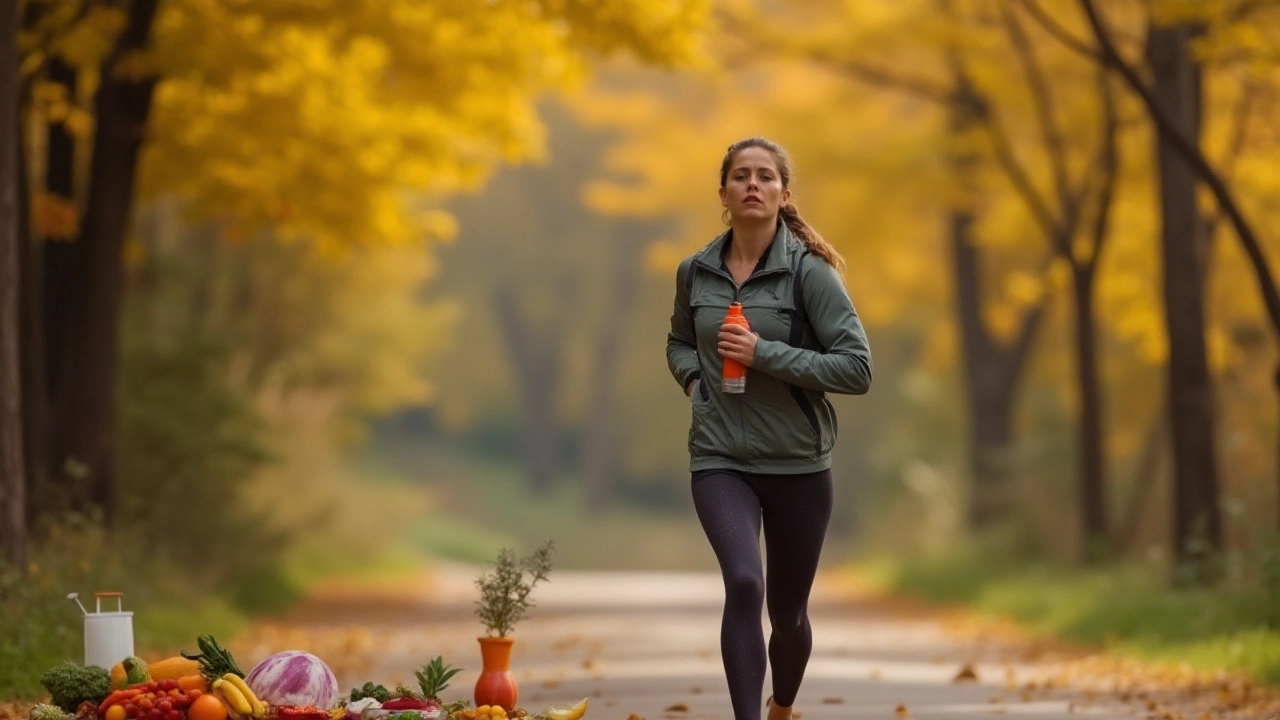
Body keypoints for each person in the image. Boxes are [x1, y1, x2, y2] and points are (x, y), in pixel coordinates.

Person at [666, 137, 873, 720]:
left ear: (784, 194)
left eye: (765, 176)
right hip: (719, 459)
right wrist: (693, 381)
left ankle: (781, 704)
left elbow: (857, 369)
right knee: (743, 583)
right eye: (740, 176)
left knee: (788, 615)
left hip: (798, 464)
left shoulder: (812, 277)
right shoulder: (695, 272)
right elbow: (680, 340)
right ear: (725, 193)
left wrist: (765, 353)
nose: (752, 184)